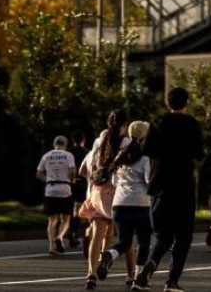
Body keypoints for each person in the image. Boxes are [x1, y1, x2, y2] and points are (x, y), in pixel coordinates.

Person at [134, 87, 203, 292]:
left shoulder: (157, 122)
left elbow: (148, 151)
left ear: (167, 103)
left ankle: (149, 267)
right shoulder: (192, 123)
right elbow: (199, 154)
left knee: (163, 235)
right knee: (183, 236)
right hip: (183, 186)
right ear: (186, 103)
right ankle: (172, 281)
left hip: (160, 186)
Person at [97, 121, 152, 288]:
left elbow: (113, 181)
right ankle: (138, 278)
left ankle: (110, 255)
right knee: (144, 241)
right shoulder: (145, 156)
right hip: (140, 204)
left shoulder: (120, 155)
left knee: (124, 241)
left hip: (119, 204)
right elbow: (149, 180)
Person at [82, 109, 128, 290]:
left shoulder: (99, 141)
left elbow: (91, 165)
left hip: (98, 191)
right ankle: (105, 261)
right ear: (124, 125)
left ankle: (91, 274)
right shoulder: (127, 142)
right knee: (118, 233)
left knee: (97, 233)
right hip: (117, 192)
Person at [37, 135, 76, 256]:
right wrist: (71, 180)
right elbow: (72, 170)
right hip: (65, 189)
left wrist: (48, 179)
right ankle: (59, 237)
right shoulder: (68, 155)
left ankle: (51, 246)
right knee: (66, 219)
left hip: (50, 189)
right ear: (65, 144)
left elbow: (39, 174)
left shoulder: (47, 156)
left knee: (52, 219)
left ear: (54, 144)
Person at [68, 131, 89, 251]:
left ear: (73, 140)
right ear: (83, 140)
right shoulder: (87, 152)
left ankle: (70, 231)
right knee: (78, 209)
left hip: (69, 183)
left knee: (70, 209)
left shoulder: (68, 153)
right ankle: (74, 232)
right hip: (82, 183)